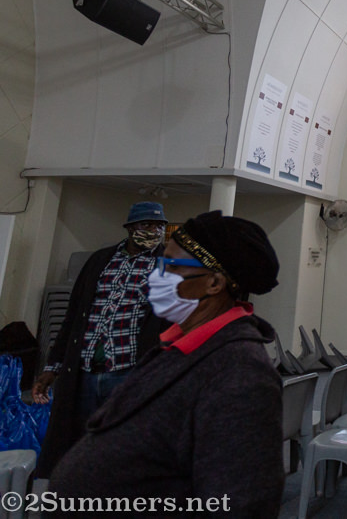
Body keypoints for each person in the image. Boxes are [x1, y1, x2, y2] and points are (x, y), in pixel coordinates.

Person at [48, 210, 285, 516]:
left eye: (171, 266)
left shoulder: (240, 372)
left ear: (214, 283)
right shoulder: (182, 345)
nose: (155, 276)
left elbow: (240, 504)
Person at [32, 201, 169, 478]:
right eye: (147, 225)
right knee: (80, 440)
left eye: (160, 226)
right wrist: (52, 366)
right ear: (130, 228)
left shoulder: (167, 265)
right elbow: (73, 316)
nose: (154, 231)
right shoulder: (101, 260)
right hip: (84, 370)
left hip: (129, 370)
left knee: (122, 441)